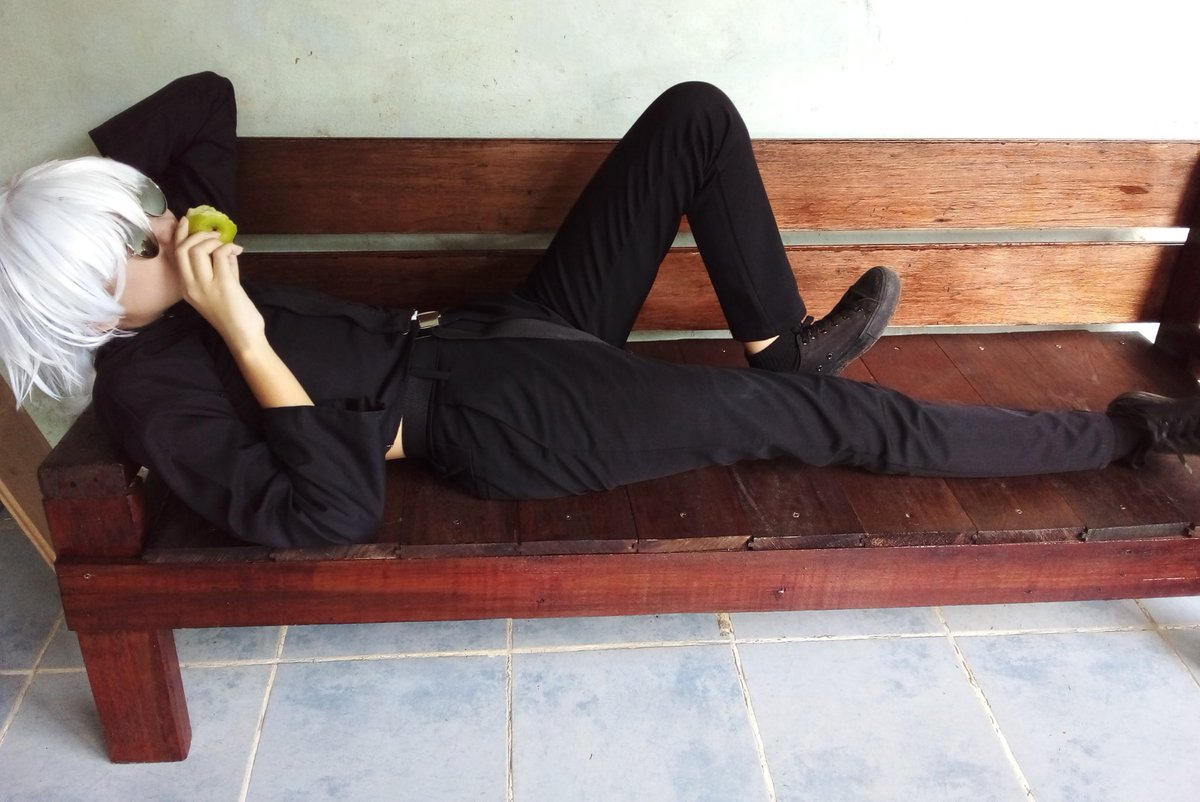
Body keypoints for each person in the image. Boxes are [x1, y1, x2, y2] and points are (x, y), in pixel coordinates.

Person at [1, 72, 1197, 549]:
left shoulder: (173, 272)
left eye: (144, 213)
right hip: (507, 423)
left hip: (494, 331)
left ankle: (785, 347)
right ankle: (1120, 435)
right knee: (835, 426)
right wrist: (244, 333)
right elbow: (330, 512)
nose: (165, 225)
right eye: (135, 237)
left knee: (694, 116)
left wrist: (139, 218)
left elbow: (203, 100)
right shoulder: (156, 387)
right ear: (88, 304)